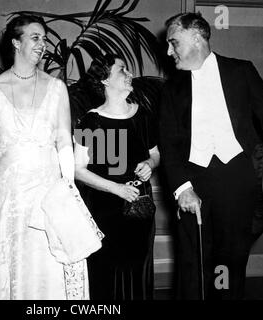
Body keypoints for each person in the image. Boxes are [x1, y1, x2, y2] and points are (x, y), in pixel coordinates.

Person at [159, 12, 263, 299]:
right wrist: (182, 188)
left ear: (196, 37)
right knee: (192, 263)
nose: (168, 51)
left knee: (230, 262)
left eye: (174, 43)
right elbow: (168, 144)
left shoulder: (241, 71)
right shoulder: (171, 89)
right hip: (192, 184)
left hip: (236, 182)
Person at [0, 14, 89, 300]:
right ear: (16, 42)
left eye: (45, 39)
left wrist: (69, 189)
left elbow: (65, 141)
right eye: (35, 37)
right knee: (15, 263)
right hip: (10, 194)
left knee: (50, 260)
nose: (43, 45)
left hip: (47, 188)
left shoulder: (56, 88)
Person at [74, 54, 160, 300]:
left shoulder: (143, 115)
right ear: (104, 79)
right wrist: (115, 188)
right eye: (122, 69)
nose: (129, 74)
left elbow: (156, 154)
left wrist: (149, 163)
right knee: (106, 271)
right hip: (104, 209)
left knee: (138, 266)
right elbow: (77, 169)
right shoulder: (90, 120)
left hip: (139, 206)